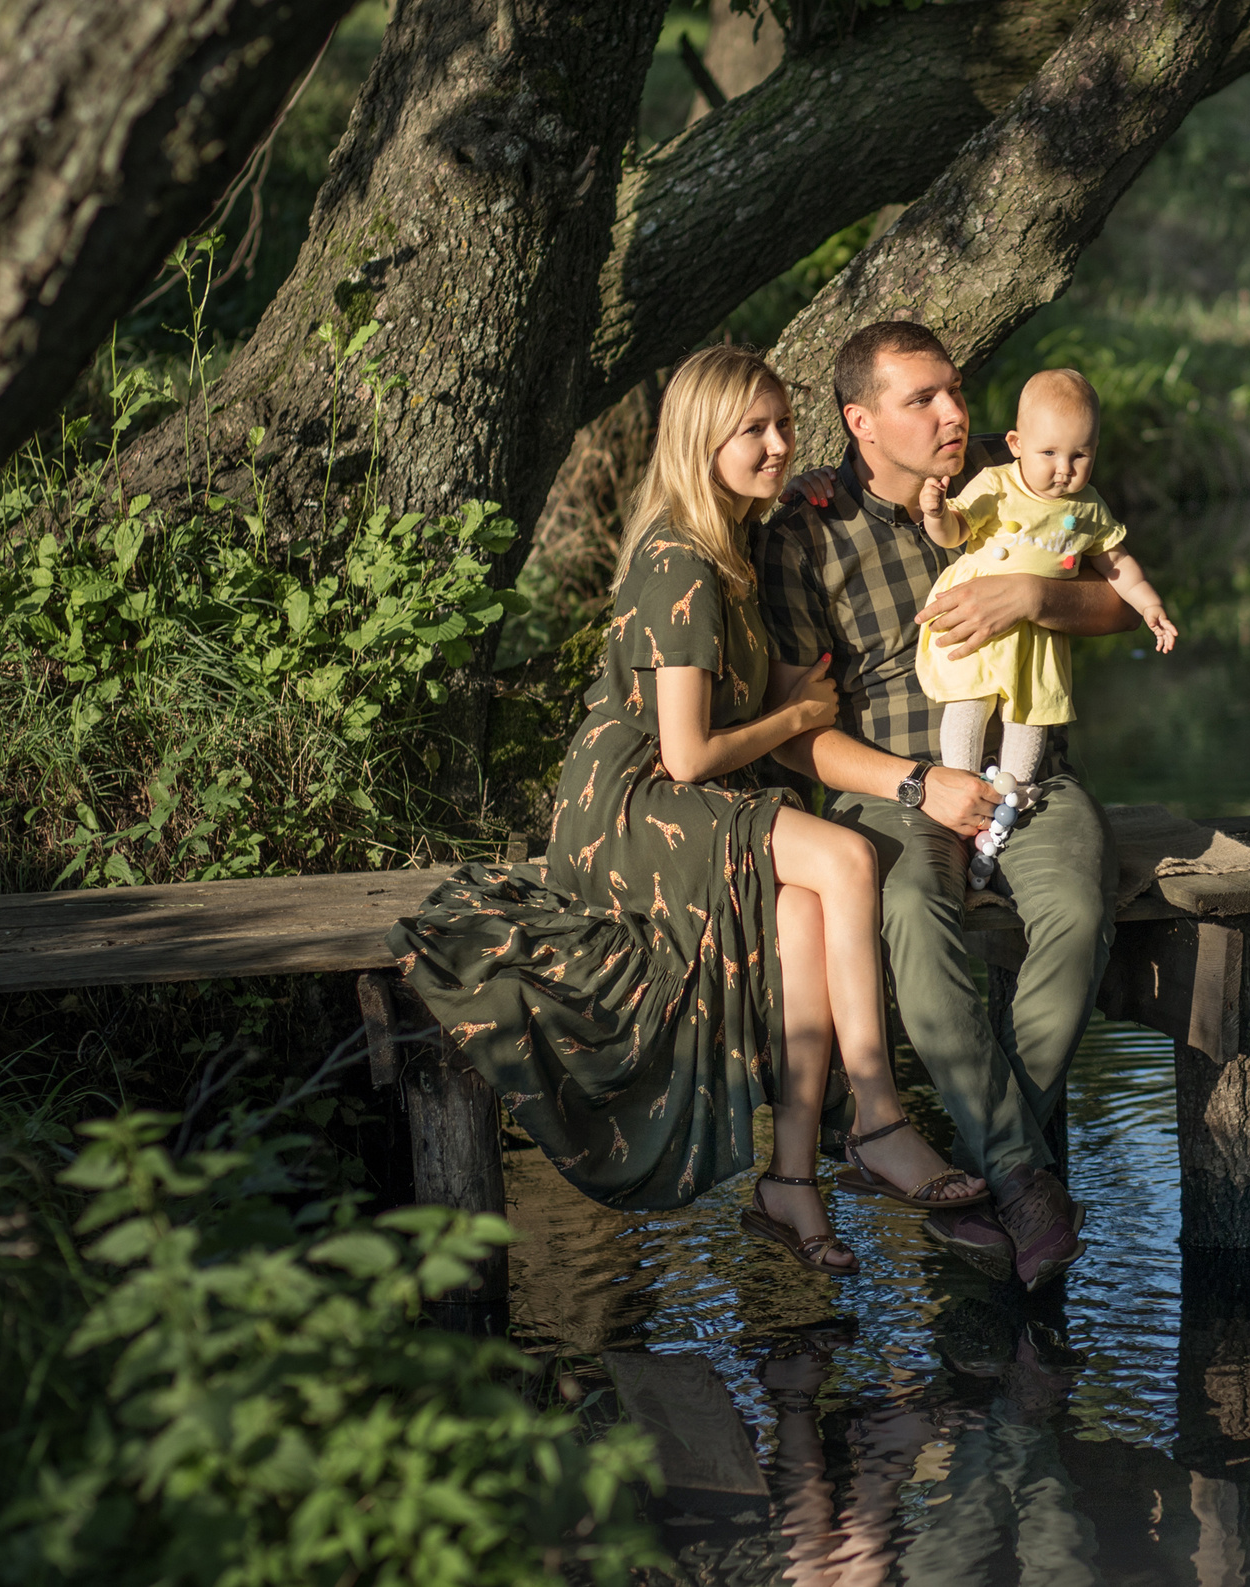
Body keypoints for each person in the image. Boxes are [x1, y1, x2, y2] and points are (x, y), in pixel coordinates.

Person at [389, 345, 982, 1276]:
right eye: (753, 429)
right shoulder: (682, 563)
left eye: (785, 423)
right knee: (850, 862)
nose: (780, 444)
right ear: (702, 439)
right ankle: (877, 1113)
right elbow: (686, 752)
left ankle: (790, 1178)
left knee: (801, 915)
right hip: (636, 803)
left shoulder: (733, 543)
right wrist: (797, 716)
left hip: (688, 797)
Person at [758, 320, 1141, 1292]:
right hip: (895, 788)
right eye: (921, 400)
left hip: (1029, 776)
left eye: (955, 392)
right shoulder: (806, 531)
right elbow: (794, 731)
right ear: (859, 422)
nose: (952, 414)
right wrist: (919, 785)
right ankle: (1025, 1183)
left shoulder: (1013, 479)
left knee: (1078, 911)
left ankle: (983, 1168)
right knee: (915, 920)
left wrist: (1029, 598)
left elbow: (1112, 602)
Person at [913, 367, 1177, 888]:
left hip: (1036, 639)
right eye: (1049, 454)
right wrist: (935, 510)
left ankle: (1010, 798)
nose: (1064, 470)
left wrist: (1150, 606)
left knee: (1031, 716)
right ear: (1016, 444)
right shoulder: (996, 485)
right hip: (977, 626)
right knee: (968, 703)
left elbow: (1118, 564)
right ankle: (965, 790)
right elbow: (954, 533)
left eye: (1081, 456)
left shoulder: (1089, 507)